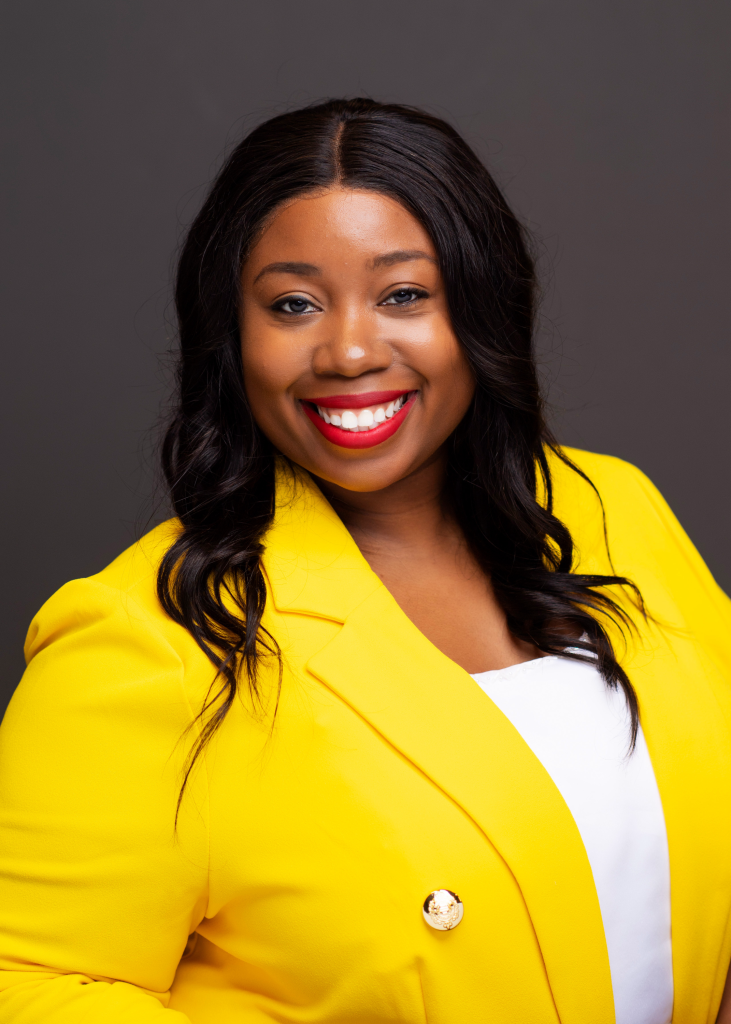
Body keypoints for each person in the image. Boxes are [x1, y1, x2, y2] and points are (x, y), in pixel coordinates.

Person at [0, 98, 729, 1024]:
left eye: (403, 295)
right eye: (293, 304)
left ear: (480, 304)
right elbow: (22, 979)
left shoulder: (610, 510)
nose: (347, 350)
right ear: (234, 334)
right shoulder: (151, 641)